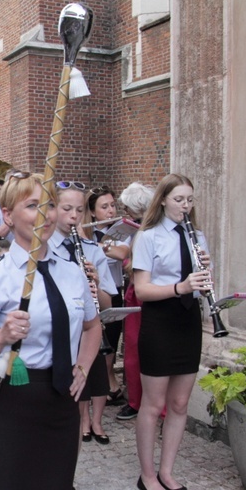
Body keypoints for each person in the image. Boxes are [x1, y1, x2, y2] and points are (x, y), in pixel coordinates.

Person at [0, 172, 101, 490]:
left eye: (49, 205)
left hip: (62, 400)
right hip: (11, 397)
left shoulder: (72, 273)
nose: (45, 214)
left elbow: (93, 327)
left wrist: (82, 367)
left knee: (57, 485)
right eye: (32, 205)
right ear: (7, 215)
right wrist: (1, 336)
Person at [132, 173, 211, 490]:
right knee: (153, 404)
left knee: (180, 403)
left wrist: (206, 279)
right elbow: (141, 290)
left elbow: (203, 286)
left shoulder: (198, 236)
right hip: (160, 322)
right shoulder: (148, 236)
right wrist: (180, 286)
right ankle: (147, 475)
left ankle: (167, 471)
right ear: (163, 200)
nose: (185, 206)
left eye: (189, 200)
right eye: (179, 199)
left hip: (188, 321)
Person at [50, 181, 119, 446]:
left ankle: (88, 423)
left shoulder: (90, 250)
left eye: (79, 210)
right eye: (67, 209)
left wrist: (96, 282)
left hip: (88, 329)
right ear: (53, 209)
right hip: (60, 330)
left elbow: (105, 302)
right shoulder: (44, 249)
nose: (73, 216)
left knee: (90, 379)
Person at [83, 185, 130, 405]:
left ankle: (107, 381)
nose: (111, 211)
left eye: (112, 205)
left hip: (114, 291)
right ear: (92, 212)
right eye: (104, 206)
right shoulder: (84, 233)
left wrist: (96, 246)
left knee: (110, 340)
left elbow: (122, 253)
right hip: (90, 292)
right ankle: (98, 384)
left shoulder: (119, 231)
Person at [116, 182, 155, 421]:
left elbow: (124, 257)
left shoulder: (148, 231)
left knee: (144, 350)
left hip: (146, 293)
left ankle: (146, 403)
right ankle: (137, 400)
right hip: (137, 293)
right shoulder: (136, 228)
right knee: (132, 351)